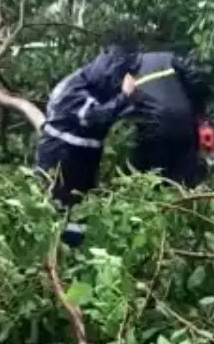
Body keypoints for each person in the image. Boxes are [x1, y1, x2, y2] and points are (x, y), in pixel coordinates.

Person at [35, 43, 140, 247]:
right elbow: (95, 117)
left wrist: (130, 101)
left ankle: (75, 254)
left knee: (81, 211)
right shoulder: (74, 89)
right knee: (57, 210)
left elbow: (111, 113)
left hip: (82, 160)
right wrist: (124, 97)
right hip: (60, 158)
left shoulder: (94, 85)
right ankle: (55, 257)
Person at [125, 49, 214, 188]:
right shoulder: (168, 58)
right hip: (183, 123)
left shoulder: (126, 72)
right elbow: (197, 82)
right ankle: (190, 201)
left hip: (152, 131)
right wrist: (200, 115)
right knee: (186, 175)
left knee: (153, 179)